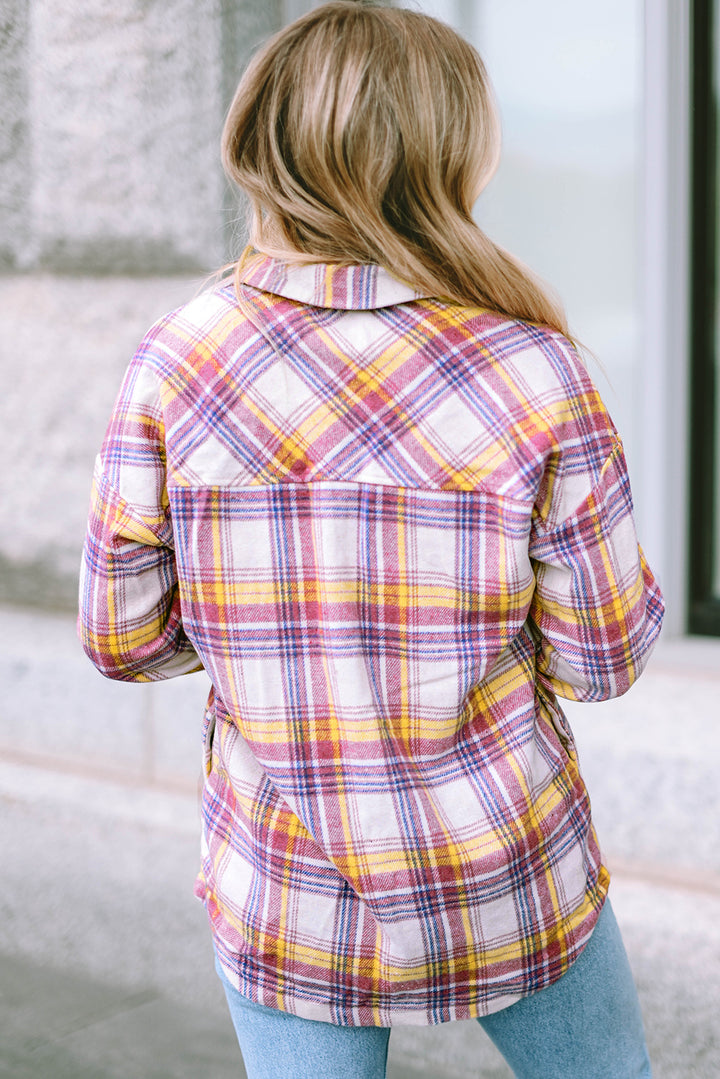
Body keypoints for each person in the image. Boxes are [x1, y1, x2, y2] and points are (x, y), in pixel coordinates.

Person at [78, 3, 664, 1076]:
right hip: (506, 868)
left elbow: (124, 639)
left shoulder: (178, 358)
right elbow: (605, 660)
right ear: (449, 152)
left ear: (265, 139)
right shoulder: (539, 368)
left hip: (287, 882)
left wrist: (281, 647)